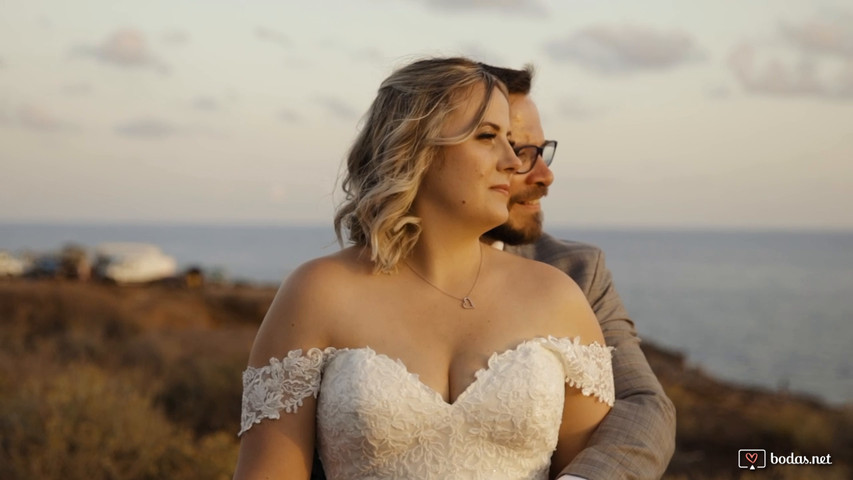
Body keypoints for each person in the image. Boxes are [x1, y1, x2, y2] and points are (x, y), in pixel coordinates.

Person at [233, 57, 615, 480]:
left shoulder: (557, 298)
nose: (513, 161)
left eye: (510, 140)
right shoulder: (318, 293)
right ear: (415, 148)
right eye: (487, 136)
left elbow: (593, 465)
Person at [480, 63, 677, 479]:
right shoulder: (342, 287)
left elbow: (643, 403)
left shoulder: (576, 270)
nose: (545, 175)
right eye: (518, 151)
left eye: (541, 150)